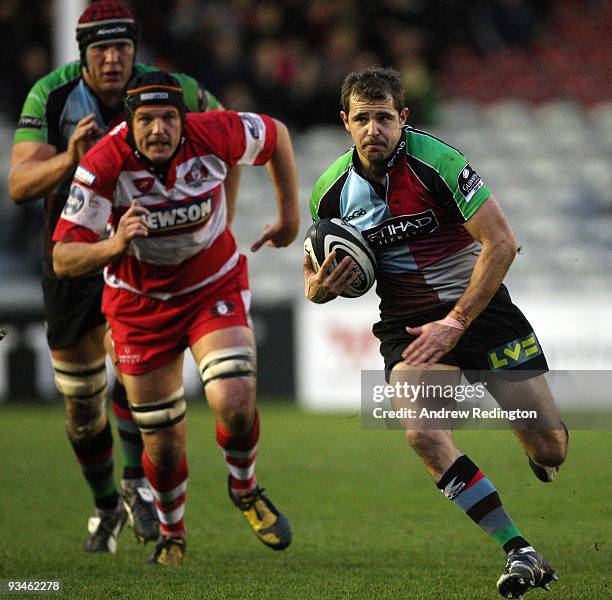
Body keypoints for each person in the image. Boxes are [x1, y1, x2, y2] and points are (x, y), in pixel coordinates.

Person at [303, 67, 568, 599]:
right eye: (362, 119)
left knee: (551, 450)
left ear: (403, 118)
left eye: (384, 118)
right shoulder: (329, 193)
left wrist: (457, 322)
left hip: (480, 309)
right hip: (409, 324)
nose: (373, 129)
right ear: (345, 123)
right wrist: (319, 290)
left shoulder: (439, 163)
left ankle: (533, 447)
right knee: (423, 433)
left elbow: (502, 243)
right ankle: (519, 549)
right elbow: (313, 276)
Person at [8, 0, 238, 554]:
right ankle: (107, 505)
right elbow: (19, 185)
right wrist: (70, 160)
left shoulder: (168, 89)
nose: (113, 60)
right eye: (101, 50)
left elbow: (231, 140)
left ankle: (138, 487)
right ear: (84, 53)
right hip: (75, 256)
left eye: (122, 48)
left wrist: (215, 219)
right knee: (83, 406)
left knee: (139, 383)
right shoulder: (53, 94)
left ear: (136, 49)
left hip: (141, 261)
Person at [51, 71, 300, 565]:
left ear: (184, 120)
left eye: (169, 117)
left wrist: (290, 216)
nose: (159, 129)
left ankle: (245, 487)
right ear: (130, 122)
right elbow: (63, 257)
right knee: (162, 445)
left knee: (234, 398)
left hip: (212, 286)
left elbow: (276, 136)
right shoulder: (103, 163)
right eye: (147, 120)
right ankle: (172, 532)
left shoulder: (215, 131)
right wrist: (115, 244)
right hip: (140, 308)